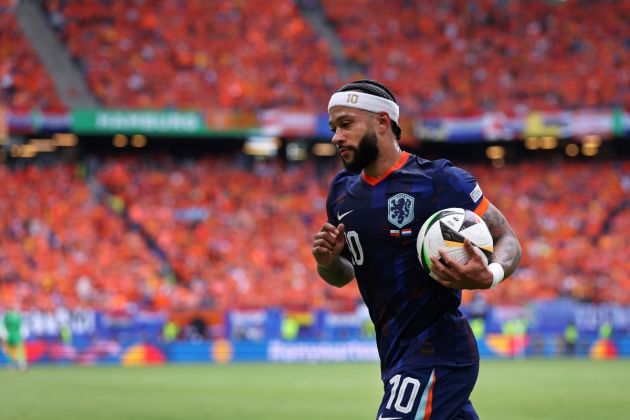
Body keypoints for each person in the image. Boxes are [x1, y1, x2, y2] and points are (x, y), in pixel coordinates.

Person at [312, 79, 522, 420]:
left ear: (382, 122)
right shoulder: (341, 192)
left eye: (346, 124)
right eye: (334, 127)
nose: (336, 137)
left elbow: (507, 238)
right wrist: (327, 262)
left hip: (437, 349)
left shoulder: (440, 180)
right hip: (394, 354)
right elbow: (343, 275)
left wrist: (491, 274)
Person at [3, 307, 27, 372]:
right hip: (17, 336)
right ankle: (22, 366)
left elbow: (4, 327)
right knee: (20, 352)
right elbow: (22, 327)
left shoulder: (7, 317)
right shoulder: (18, 317)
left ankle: (12, 366)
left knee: (11, 353)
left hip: (9, 336)